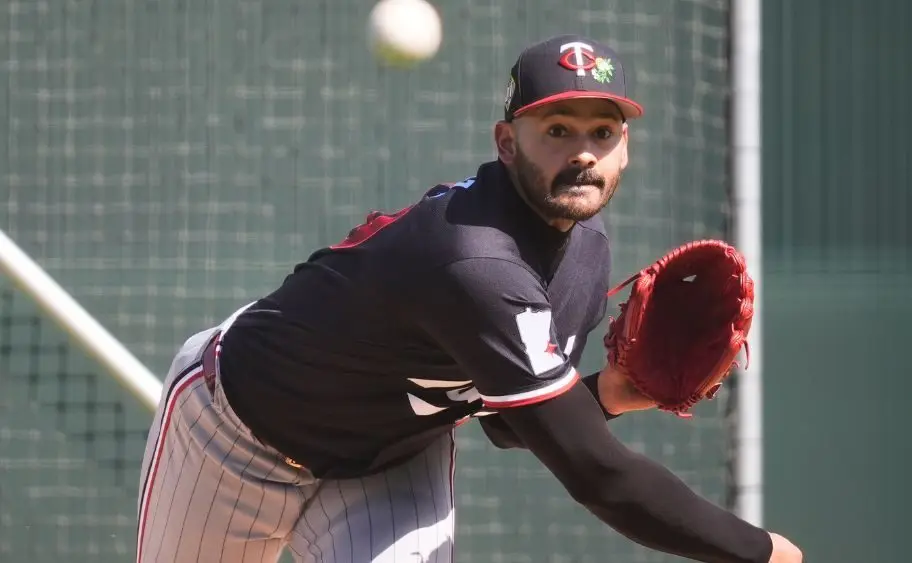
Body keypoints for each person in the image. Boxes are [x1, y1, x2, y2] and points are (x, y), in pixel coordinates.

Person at [135, 34, 804, 563]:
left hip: (390, 459)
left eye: (603, 132)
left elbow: (504, 421)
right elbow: (598, 474)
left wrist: (614, 391)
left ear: (625, 150)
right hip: (236, 432)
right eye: (558, 130)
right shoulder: (475, 259)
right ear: (507, 143)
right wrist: (754, 549)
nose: (583, 154)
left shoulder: (584, 255)